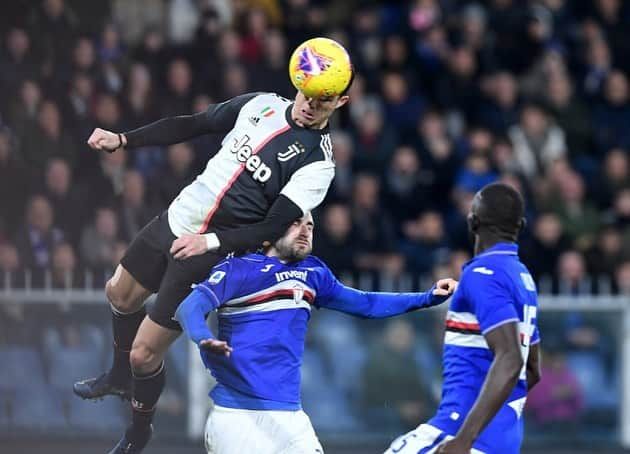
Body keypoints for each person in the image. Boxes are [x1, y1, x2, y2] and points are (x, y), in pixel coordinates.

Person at [72, 38, 354, 454]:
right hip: (179, 216)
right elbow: (194, 123)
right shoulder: (262, 104)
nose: (310, 104)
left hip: (210, 251)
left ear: (341, 102)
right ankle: (116, 376)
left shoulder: (318, 164)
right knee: (118, 294)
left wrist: (210, 240)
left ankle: (138, 431)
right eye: (306, 93)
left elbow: (274, 227)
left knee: (144, 357)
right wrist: (124, 139)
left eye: (323, 101)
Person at [174, 212, 458, 454]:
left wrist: (426, 297)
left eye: (310, 226)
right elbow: (190, 307)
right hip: (238, 417)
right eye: (296, 223)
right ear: (271, 230)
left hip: (291, 417)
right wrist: (203, 337)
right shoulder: (239, 269)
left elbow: (366, 302)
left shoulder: (313, 273)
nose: (305, 231)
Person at [384, 182, 542, 454]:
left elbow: (512, 358)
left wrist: (465, 439)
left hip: (461, 431)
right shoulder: (522, 278)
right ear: (522, 226)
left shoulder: (482, 274)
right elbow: (532, 370)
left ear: (473, 221)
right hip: (503, 440)